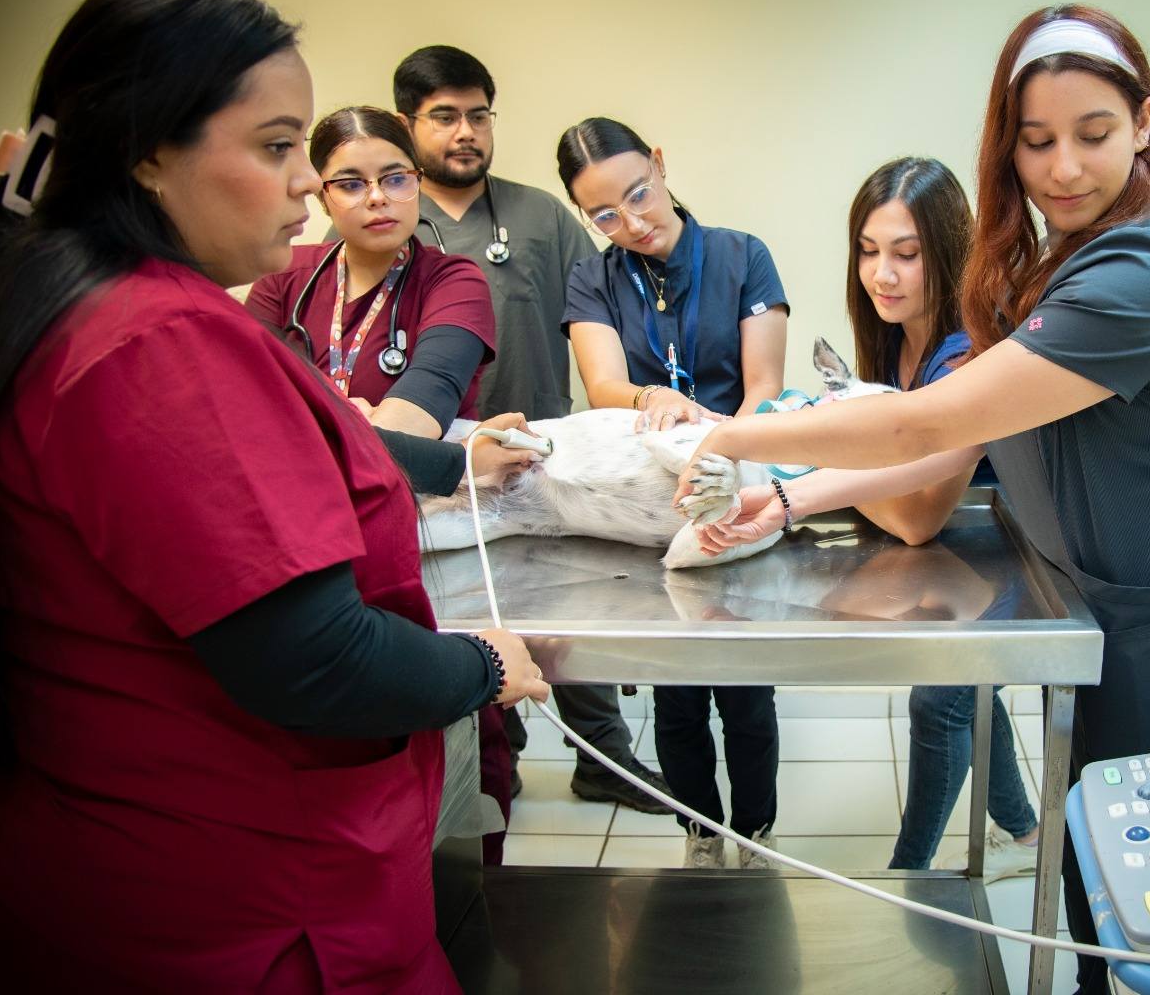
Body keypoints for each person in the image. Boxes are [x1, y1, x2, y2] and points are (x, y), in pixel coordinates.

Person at [678, 4, 1150, 990]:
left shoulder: (1143, 274)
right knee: (1098, 911)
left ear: (1143, 122)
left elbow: (918, 425)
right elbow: (960, 436)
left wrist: (731, 434)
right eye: (1036, 140)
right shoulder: (1061, 260)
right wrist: (791, 502)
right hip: (1116, 638)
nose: (1064, 167)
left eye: (1094, 133)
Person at [0, 0, 549, 991]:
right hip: (252, 904)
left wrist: (458, 461)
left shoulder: (85, 303)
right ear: (146, 151)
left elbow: (305, 439)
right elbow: (317, 660)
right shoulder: (165, 339)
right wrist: (477, 663)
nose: (308, 184)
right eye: (277, 147)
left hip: (132, 859)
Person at [697, 156, 1039, 878]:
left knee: (941, 702)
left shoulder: (966, 350)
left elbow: (915, 518)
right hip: (966, 556)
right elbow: (878, 468)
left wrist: (799, 474)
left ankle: (906, 876)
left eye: (906, 255)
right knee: (970, 693)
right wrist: (797, 490)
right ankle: (1027, 831)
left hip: (1013, 556)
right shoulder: (897, 333)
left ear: (948, 254)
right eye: (869, 251)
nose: (883, 275)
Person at [390, 46, 669, 818]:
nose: (466, 132)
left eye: (478, 115)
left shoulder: (541, 214)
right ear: (410, 125)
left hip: (546, 453)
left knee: (574, 607)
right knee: (468, 610)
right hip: (448, 466)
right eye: (444, 117)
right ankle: (496, 758)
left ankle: (605, 758)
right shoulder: (393, 220)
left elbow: (601, 315)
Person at [558, 115, 788, 866]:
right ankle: (700, 834)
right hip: (653, 509)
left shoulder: (742, 256)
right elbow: (603, 385)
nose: (632, 223)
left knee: (746, 692)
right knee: (676, 697)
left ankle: (755, 833)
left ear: (659, 164)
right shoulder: (594, 279)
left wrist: (722, 452)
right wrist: (649, 396)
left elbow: (764, 389)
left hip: (735, 487)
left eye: (639, 194)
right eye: (604, 215)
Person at [247, 106, 497, 438]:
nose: (377, 197)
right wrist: (357, 419)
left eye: (396, 179)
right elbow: (249, 406)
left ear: (418, 182)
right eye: (351, 184)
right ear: (323, 198)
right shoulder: (281, 277)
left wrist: (313, 420)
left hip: (416, 474)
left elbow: (417, 418)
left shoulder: (455, 283)